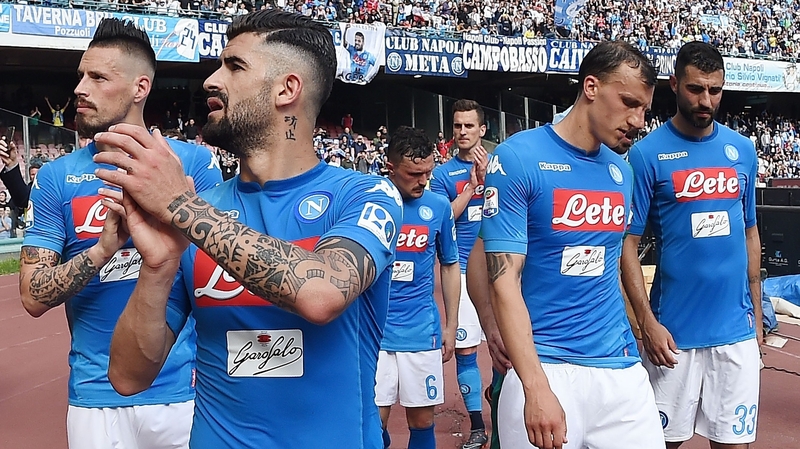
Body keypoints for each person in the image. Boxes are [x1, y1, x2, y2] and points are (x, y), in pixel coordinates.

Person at [94, 10, 403, 449]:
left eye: (234, 66)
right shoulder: (202, 214)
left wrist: (181, 206)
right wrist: (159, 266)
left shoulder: (366, 195)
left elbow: (321, 295)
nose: (211, 80)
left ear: (287, 89)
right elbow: (127, 376)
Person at [18, 18, 222, 449]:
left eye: (97, 77)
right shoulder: (56, 177)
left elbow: (217, 271)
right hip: (94, 399)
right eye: (80, 77)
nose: (80, 89)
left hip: (182, 393)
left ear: (139, 88)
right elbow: (33, 297)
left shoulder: (192, 166)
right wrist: (103, 249)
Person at [481, 40, 664, 449]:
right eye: (629, 102)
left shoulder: (623, 172)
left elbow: (609, 264)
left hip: (620, 370)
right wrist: (535, 385)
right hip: (545, 367)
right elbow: (502, 277)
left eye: (644, 111)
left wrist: (642, 326)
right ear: (591, 87)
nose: (638, 120)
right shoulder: (517, 158)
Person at [621, 41, 762, 449]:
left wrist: (755, 315)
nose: (706, 100)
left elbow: (750, 234)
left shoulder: (743, 150)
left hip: (735, 332)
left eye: (715, 91)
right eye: (696, 89)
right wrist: (645, 322)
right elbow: (626, 245)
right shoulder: (647, 155)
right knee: (663, 443)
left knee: (734, 445)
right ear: (674, 85)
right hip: (674, 335)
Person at [375, 126, 460, 449]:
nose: (423, 181)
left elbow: (450, 266)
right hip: (374, 335)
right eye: (414, 174)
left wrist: (451, 326)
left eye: (427, 172)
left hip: (420, 333)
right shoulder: (369, 203)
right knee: (374, 420)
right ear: (391, 167)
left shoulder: (438, 208)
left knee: (423, 421)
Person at [429, 98, 489, 449]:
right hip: (463, 274)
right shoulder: (441, 175)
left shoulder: (502, 165)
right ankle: (478, 425)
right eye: (457, 126)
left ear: (483, 129)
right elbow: (442, 218)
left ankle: (499, 395)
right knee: (466, 352)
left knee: (507, 346)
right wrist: (471, 187)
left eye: (469, 126)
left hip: (500, 273)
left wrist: (489, 178)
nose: (462, 132)